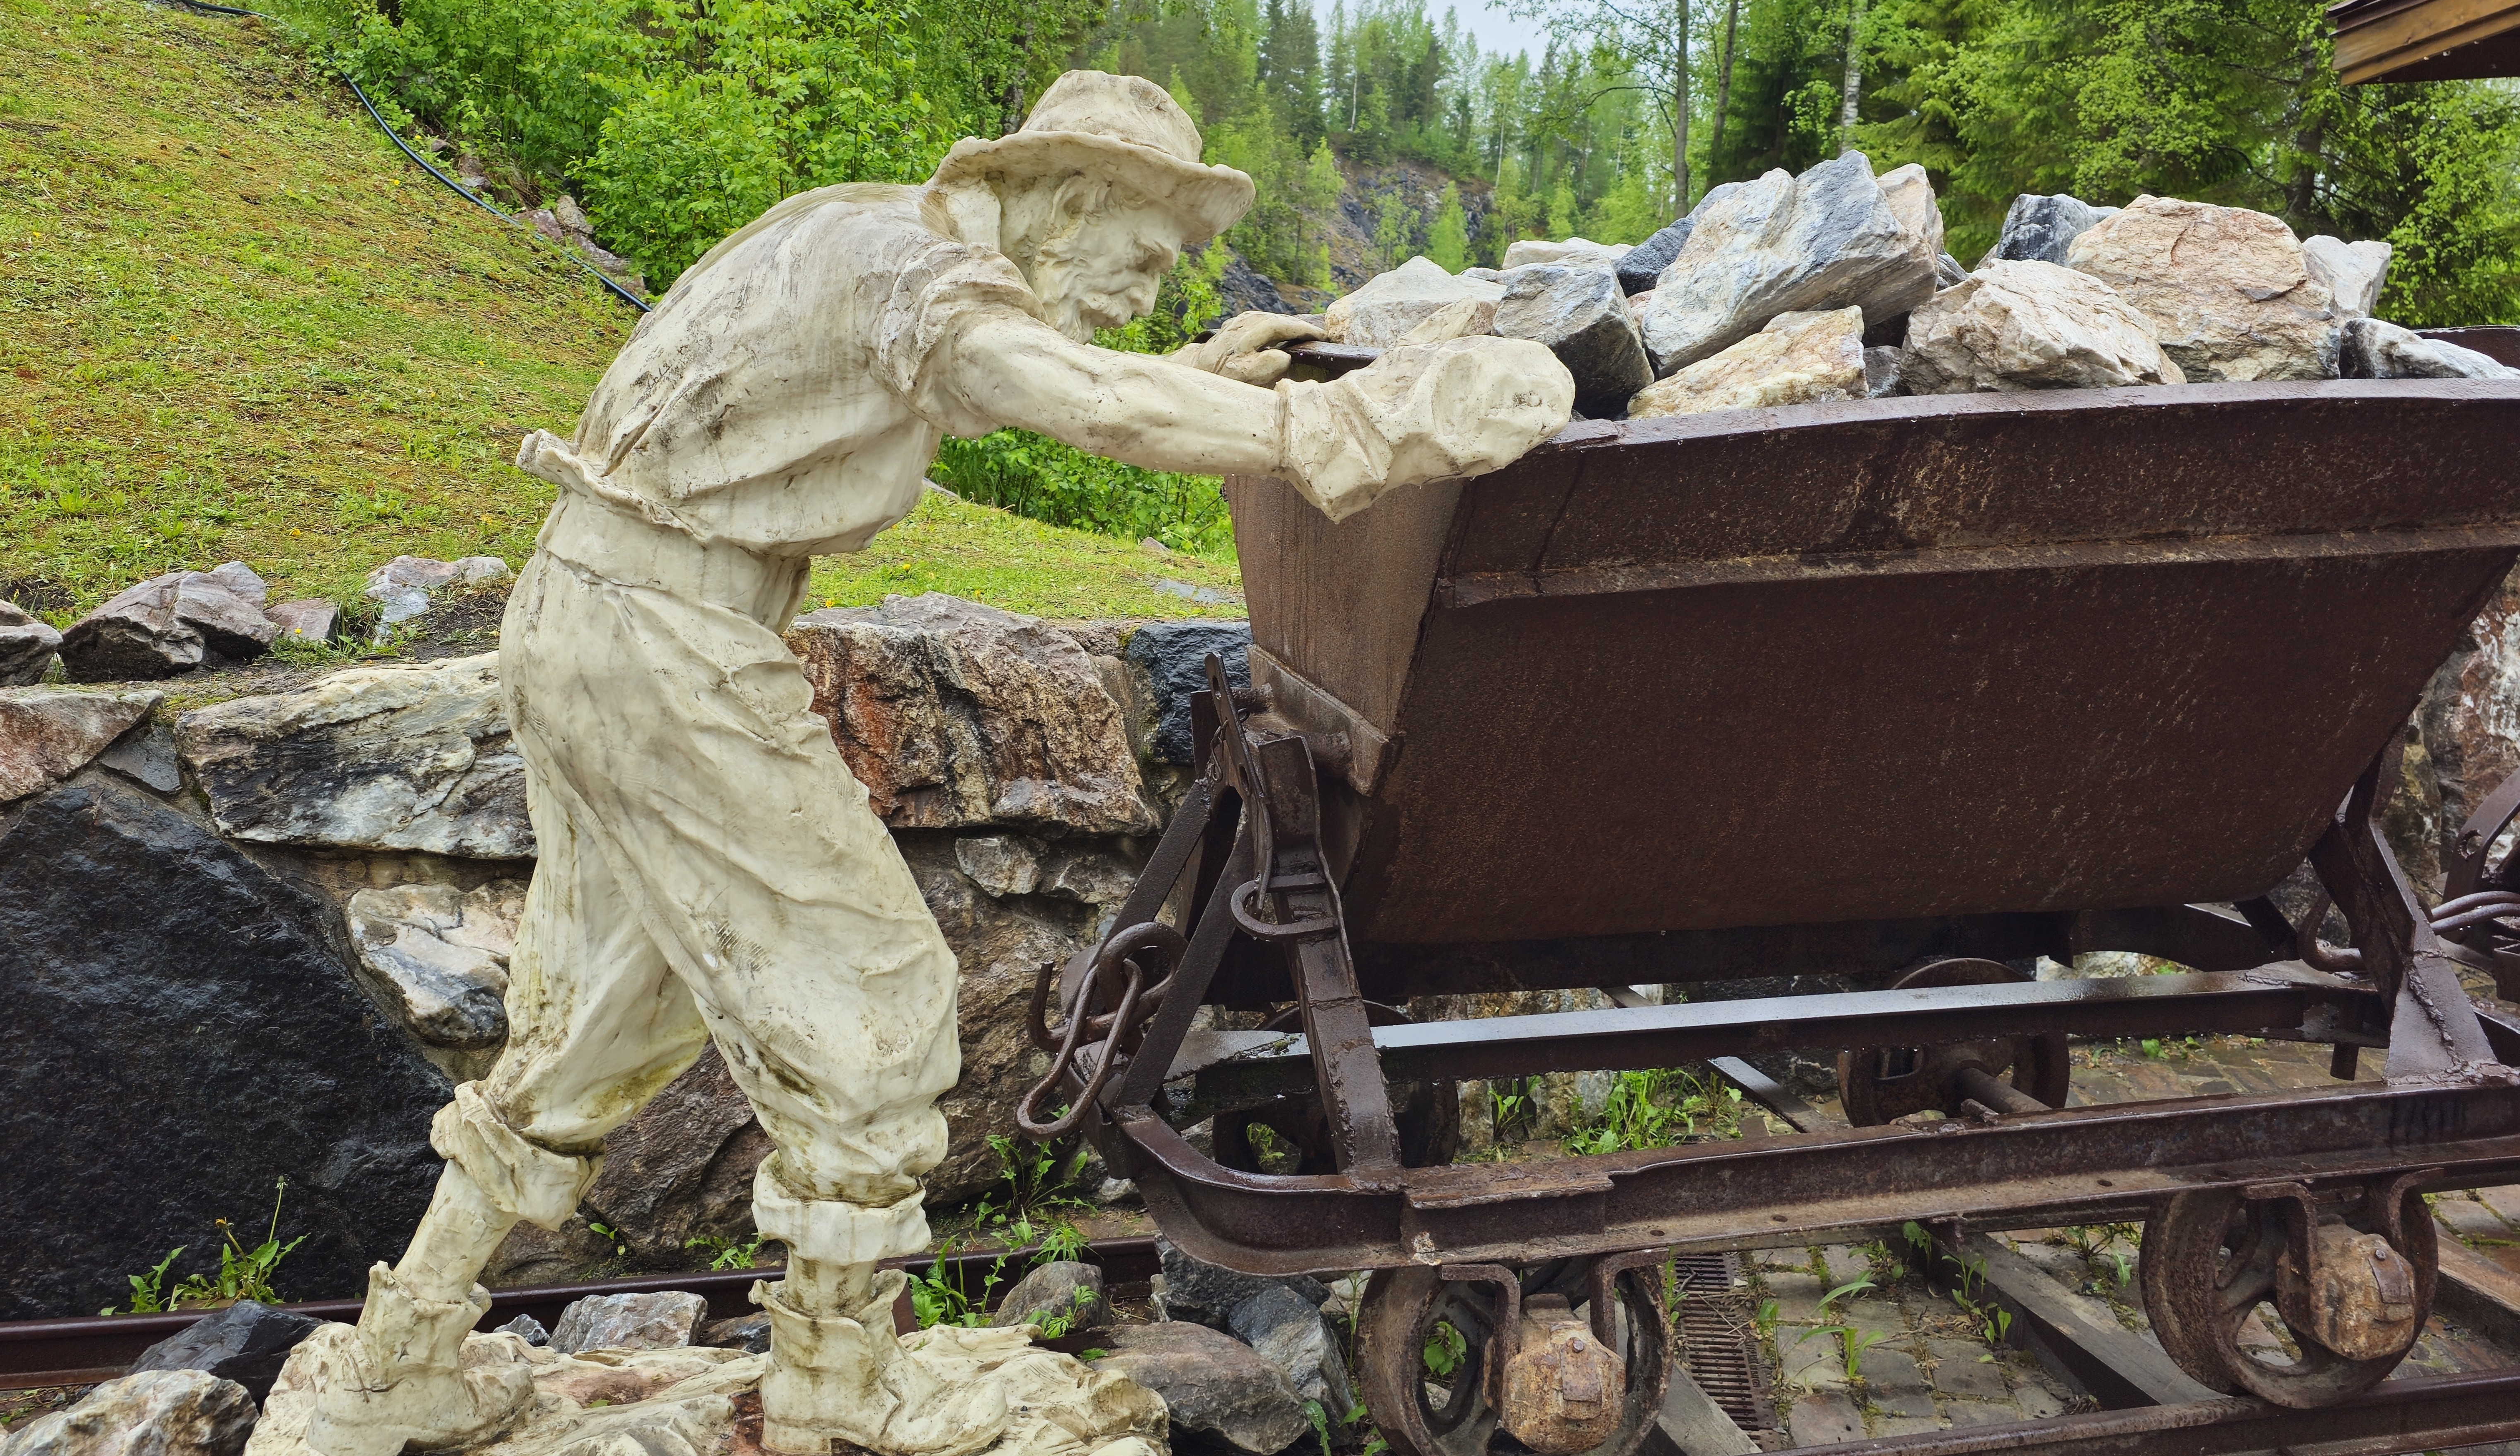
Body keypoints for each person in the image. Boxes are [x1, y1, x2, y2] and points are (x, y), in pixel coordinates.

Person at [266, 72, 1573, 1456]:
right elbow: (1050, 388)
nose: (1145, 291)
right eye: (1142, 256)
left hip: (595, 613)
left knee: (596, 1017)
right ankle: (839, 1379)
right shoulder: (913, 273)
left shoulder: (876, 237)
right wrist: (1353, 428)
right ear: (1071, 200)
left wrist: (1187, 381)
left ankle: (394, 1358)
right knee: (880, 999)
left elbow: (1007, 376)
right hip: (664, 642)